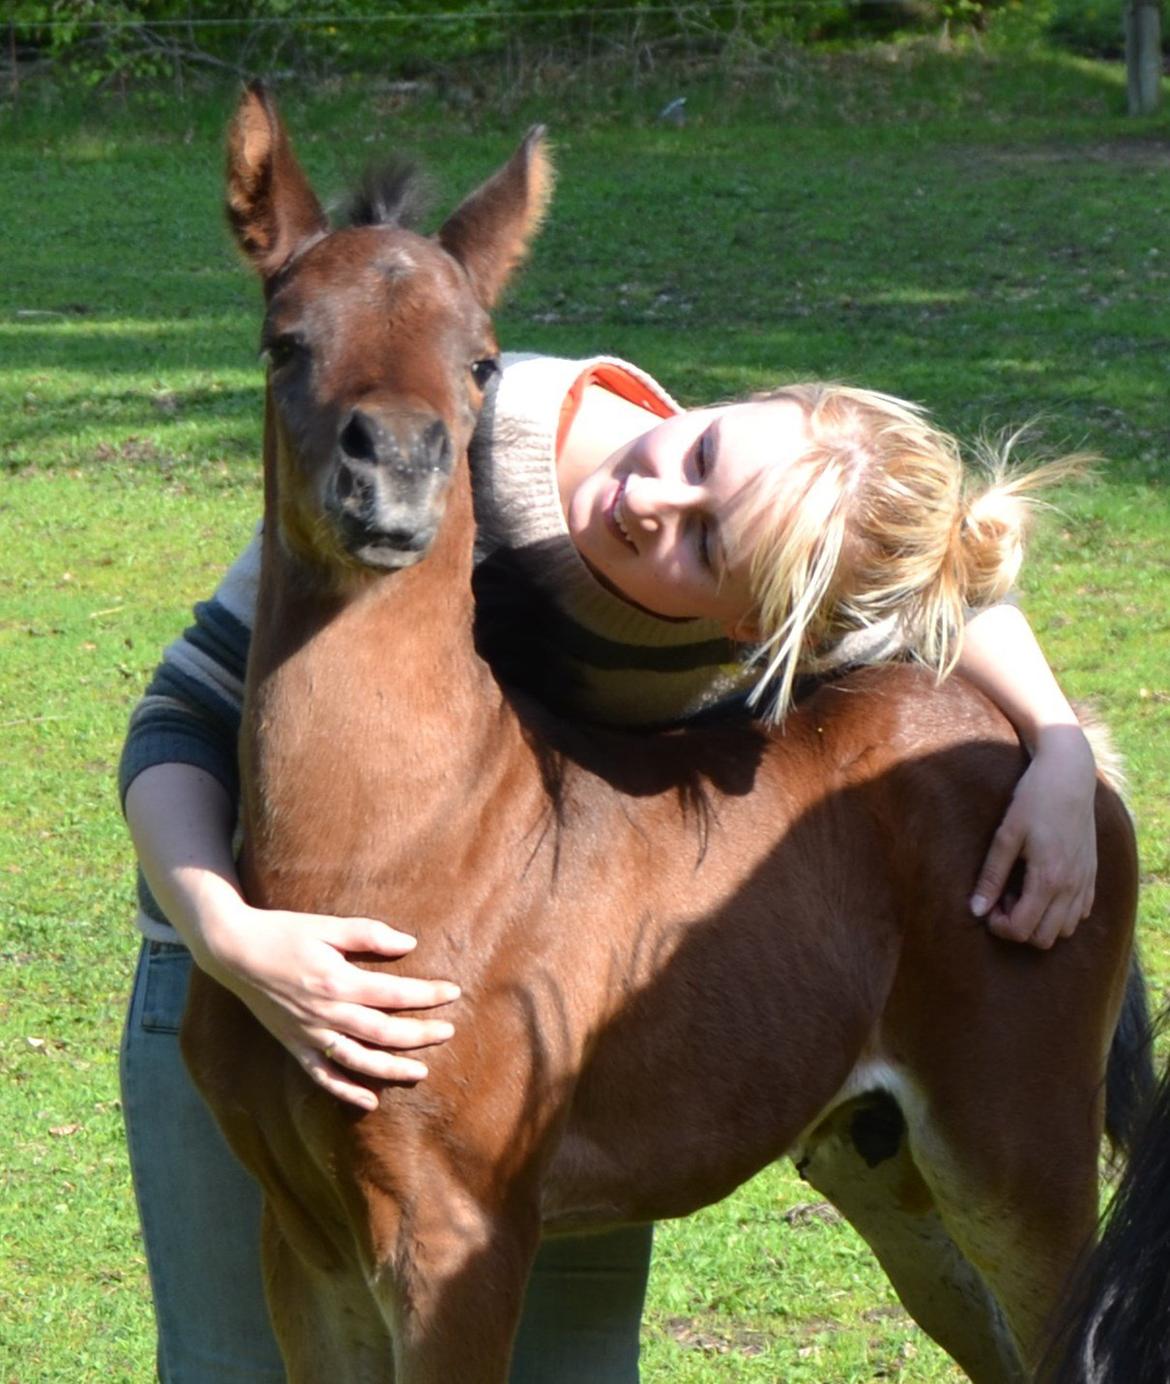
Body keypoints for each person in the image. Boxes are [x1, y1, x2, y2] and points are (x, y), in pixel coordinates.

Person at [120, 352, 1099, 1381]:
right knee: (230, 1362)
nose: (651, 497)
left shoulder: (779, 529)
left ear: (753, 628)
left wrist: (1059, 741)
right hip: (234, 931)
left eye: (703, 539)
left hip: (537, 991)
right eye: (701, 448)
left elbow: (934, 580)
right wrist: (227, 933)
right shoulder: (453, 437)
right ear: (741, 401)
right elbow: (183, 712)